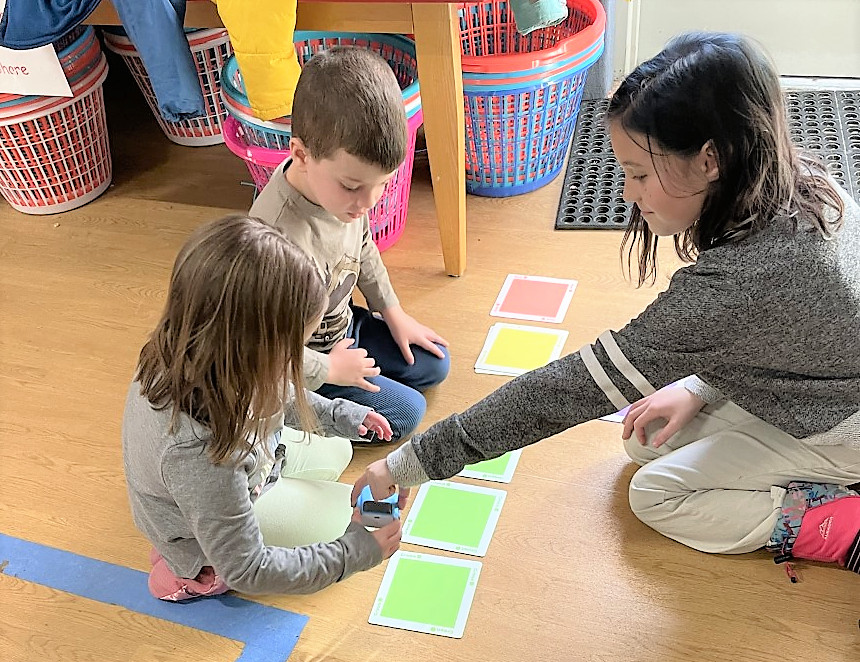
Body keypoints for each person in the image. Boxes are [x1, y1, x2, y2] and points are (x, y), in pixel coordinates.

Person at [353, 32, 860, 579]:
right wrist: (699, 384)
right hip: (814, 382)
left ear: (711, 159)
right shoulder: (798, 179)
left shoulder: (738, 285)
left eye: (639, 174)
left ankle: (840, 525)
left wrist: (404, 465)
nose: (626, 192)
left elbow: (564, 394)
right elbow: (778, 330)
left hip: (839, 424)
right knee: (645, 441)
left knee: (656, 495)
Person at [122, 215, 401, 602]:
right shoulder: (199, 453)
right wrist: (353, 552)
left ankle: (239, 512)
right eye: (293, 348)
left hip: (233, 471)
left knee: (340, 446)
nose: (299, 359)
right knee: (343, 518)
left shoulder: (201, 350)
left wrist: (342, 415)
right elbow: (250, 568)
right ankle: (190, 574)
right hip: (204, 527)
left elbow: (276, 391)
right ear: (253, 348)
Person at [250, 45, 450, 444]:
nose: (369, 202)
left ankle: (361, 373)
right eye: (354, 186)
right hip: (295, 364)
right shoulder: (274, 239)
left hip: (343, 327)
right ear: (301, 155)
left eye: (382, 184)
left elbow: (364, 249)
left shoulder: (344, 199)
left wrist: (393, 313)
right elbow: (264, 351)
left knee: (434, 365)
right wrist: (329, 371)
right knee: (408, 412)